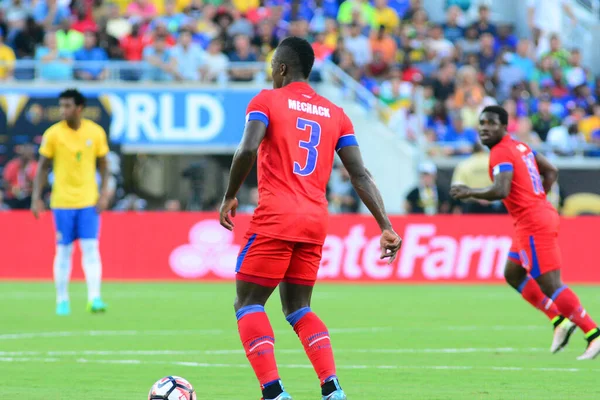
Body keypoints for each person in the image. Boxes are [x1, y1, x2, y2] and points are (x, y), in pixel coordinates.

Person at [219, 36, 402, 400]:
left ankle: (273, 392)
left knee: (249, 302)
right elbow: (360, 174)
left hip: (276, 216)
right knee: (298, 306)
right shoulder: (337, 113)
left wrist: (229, 195)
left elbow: (248, 148)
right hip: (315, 221)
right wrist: (385, 225)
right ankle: (332, 388)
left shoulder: (266, 100)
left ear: (282, 68)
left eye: (273, 66)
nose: (271, 72)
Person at [450, 106, 600, 360]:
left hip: (533, 222)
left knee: (550, 284)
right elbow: (551, 170)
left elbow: (501, 190)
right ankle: (559, 321)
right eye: (482, 123)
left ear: (504, 126)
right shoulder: (520, 147)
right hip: (532, 218)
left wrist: (470, 192)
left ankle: (593, 334)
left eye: (491, 123)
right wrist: (538, 195)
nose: (485, 127)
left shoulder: (500, 153)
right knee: (513, 272)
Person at [31, 89, 111, 316]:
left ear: (79, 108)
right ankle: (62, 300)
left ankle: (94, 298)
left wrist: (104, 193)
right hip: (62, 201)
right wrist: (36, 197)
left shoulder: (95, 133)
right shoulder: (53, 134)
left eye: (67, 106)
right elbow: (43, 167)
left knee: (91, 249)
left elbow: (104, 165)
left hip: (88, 201)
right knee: (64, 251)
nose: (63, 110)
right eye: (61, 105)